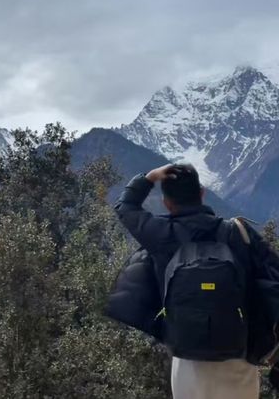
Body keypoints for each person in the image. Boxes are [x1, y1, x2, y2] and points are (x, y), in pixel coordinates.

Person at [111, 162, 279, 399]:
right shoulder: (238, 233)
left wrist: (148, 178)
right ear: (202, 193)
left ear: (166, 203)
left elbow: (125, 206)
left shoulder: (161, 234)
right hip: (239, 356)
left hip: (186, 358)